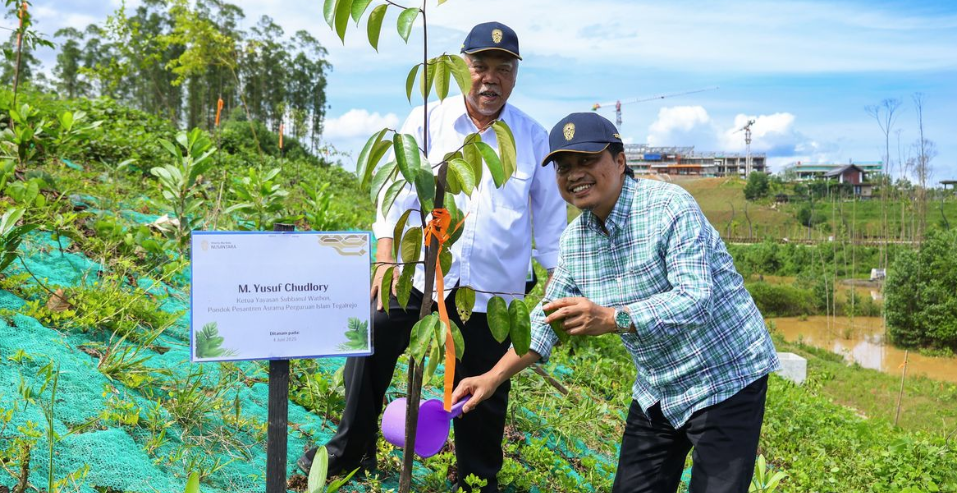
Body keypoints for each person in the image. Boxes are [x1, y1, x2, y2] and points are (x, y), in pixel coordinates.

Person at [298, 22, 566, 493]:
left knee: (484, 389)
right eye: (480, 66)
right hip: (421, 275)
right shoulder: (427, 120)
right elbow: (396, 192)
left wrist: (555, 279)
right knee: (372, 338)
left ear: (515, 75)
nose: (490, 78)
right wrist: (386, 257)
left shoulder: (531, 137)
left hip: (492, 294)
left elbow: (549, 225)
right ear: (461, 68)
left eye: (503, 69)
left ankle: (476, 478)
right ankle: (350, 451)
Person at [452, 112, 781, 493]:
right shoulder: (575, 241)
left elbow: (695, 299)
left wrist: (611, 318)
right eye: (564, 167)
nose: (575, 175)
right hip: (659, 387)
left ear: (620, 161)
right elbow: (547, 321)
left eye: (587, 160)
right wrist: (491, 379)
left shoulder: (669, 207)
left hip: (726, 377)